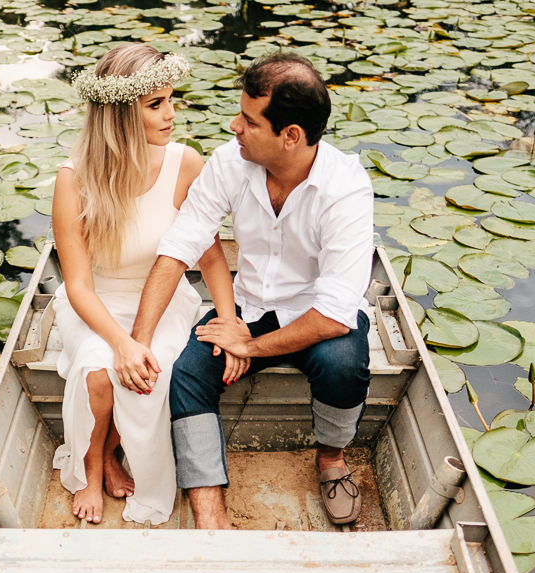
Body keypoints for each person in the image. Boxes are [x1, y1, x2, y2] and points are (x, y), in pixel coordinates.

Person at [126, 52, 375, 529]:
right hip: (248, 307)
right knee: (187, 374)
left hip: (316, 316)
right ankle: (210, 512)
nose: (234, 126)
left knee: (344, 365)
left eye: (249, 120)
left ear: (291, 136)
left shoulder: (345, 188)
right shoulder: (229, 162)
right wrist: (139, 341)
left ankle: (331, 458)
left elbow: (334, 314)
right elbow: (179, 248)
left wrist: (249, 347)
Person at [50, 43, 227, 525]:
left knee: (151, 374)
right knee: (97, 370)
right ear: (121, 114)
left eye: (171, 100)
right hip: (96, 301)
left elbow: (211, 255)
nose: (171, 114)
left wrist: (230, 321)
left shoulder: (184, 163)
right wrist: (121, 343)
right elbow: (78, 285)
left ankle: (116, 451)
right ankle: (93, 467)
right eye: (155, 104)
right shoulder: (74, 179)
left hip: (163, 299)